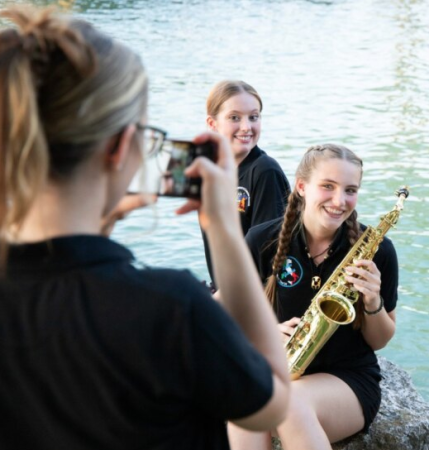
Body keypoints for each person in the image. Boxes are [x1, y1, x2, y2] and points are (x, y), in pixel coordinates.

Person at [0, 6, 289, 449]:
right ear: (120, 150)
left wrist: (102, 221)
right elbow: (272, 398)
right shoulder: (171, 308)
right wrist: (226, 232)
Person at [229, 144, 399, 450]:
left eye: (350, 190)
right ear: (302, 186)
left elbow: (380, 341)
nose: (339, 201)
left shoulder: (377, 250)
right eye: (328, 187)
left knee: (289, 404)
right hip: (278, 367)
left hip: (347, 380)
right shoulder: (261, 240)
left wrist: (374, 301)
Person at [201, 80, 291, 286]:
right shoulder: (211, 170)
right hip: (226, 289)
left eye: (253, 117)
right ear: (212, 124)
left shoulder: (265, 172)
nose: (246, 127)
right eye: (234, 117)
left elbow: (268, 259)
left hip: (255, 299)